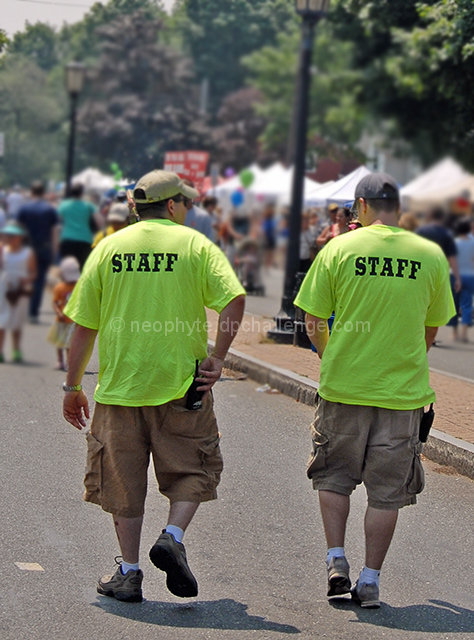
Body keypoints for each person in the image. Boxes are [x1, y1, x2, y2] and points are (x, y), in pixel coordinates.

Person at [62, 169, 245, 603]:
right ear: (171, 205)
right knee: (193, 469)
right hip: (184, 386)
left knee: (121, 481)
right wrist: (218, 357)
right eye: (185, 203)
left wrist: (71, 386)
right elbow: (234, 299)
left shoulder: (108, 249)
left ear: (133, 207)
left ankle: (128, 572)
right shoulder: (195, 245)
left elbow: (83, 326)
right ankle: (173, 534)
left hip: (120, 387)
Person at [294, 172, 455, 608]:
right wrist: (403, 361)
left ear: (361, 207)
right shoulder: (429, 255)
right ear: (397, 208)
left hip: (344, 388)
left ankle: (336, 559)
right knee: (387, 491)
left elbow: (312, 320)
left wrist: (333, 358)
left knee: (333, 475)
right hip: (402, 395)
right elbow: (431, 327)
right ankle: (369, 579)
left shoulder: (339, 249)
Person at [17, 181, 60, 323]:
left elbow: (19, 229)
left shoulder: (24, 209)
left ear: (31, 192)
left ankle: (20, 309)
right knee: (39, 280)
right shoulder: (49, 210)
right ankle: (33, 312)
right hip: (43, 247)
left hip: (26, 248)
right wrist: (54, 249)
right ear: (43, 193)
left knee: (24, 278)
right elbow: (54, 232)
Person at [0, 223, 37, 363]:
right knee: (1, 320)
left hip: (20, 288)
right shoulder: (2, 250)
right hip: (4, 286)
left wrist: (26, 279)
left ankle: (16, 350)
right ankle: (0, 351)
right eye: (7, 235)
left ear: (20, 237)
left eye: (12, 236)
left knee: (17, 321)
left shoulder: (28, 253)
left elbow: (33, 272)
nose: (9, 238)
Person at [47, 256, 80, 370]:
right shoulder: (59, 288)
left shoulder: (79, 287)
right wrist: (58, 313)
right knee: (60, 343)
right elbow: (55, 302)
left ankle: (70, 362)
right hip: (61, 320)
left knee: (70, 344)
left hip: (73, 321)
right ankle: (60, 361)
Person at [58, 183, 97, 268]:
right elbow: (99, 221)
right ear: (81, 193)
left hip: (67, 239)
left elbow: (58, 221)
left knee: (67, 267)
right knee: (83, 267)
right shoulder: (88, 205)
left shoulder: (63, 205)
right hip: (84, 239)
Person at [450, 218, 474, 342]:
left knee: (454, 304)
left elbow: (450, 259)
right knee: (467, 304)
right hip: (470, 275)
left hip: (455, 275)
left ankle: (455, 333)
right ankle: (464, 333)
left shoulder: (454, 242)